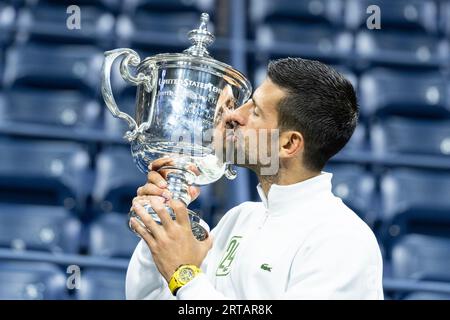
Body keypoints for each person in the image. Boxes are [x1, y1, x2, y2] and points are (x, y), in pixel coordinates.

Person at [125, 58, 384, 300]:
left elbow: (187, 286)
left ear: (288, 143)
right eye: (247, 102)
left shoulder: (342, 239)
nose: (235, 115)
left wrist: (185, 275)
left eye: (256, 111)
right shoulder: (239, 219)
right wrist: (160, 229)